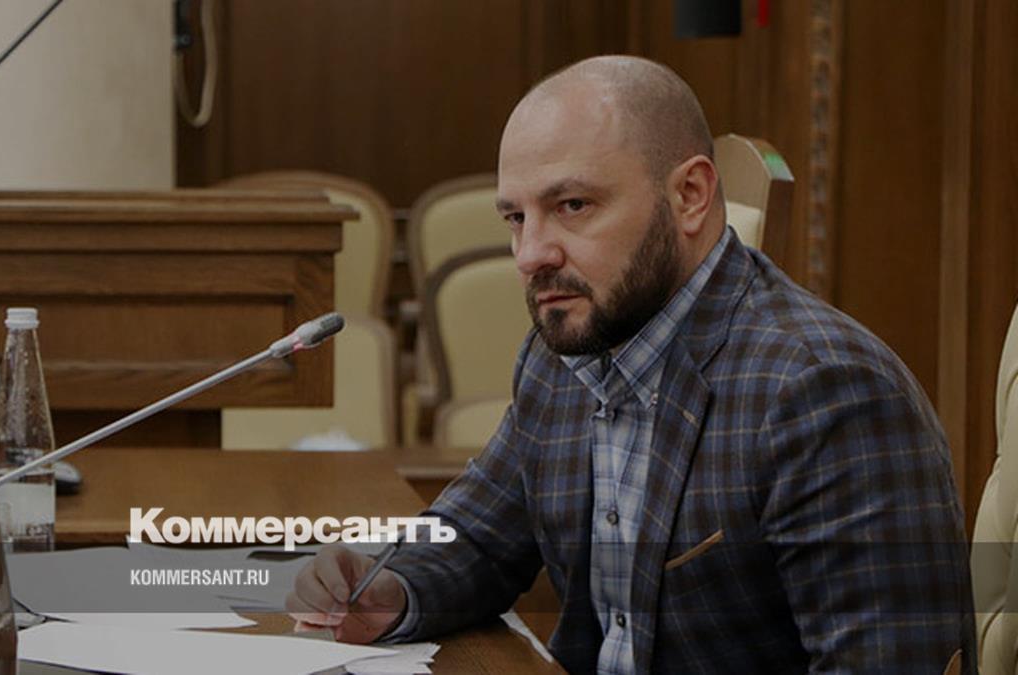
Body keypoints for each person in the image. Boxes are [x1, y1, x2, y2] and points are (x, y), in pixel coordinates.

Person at [286, 55, 975, 673]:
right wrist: (388, 589)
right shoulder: (565, 350)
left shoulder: (828, 393)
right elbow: (480, 538)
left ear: (690, 196)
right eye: (516, 218)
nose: (531, 255)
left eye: (572, 205)